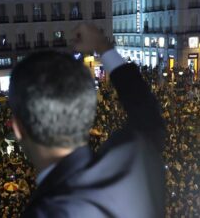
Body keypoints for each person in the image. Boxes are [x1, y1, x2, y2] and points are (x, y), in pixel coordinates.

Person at [9, 24, 166, 218]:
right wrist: (102, 46)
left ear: (17, 128)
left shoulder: (46, 212)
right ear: (87, 112)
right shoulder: (134, 160)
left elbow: (147, 115)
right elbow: (148, 117)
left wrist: (103, 48)